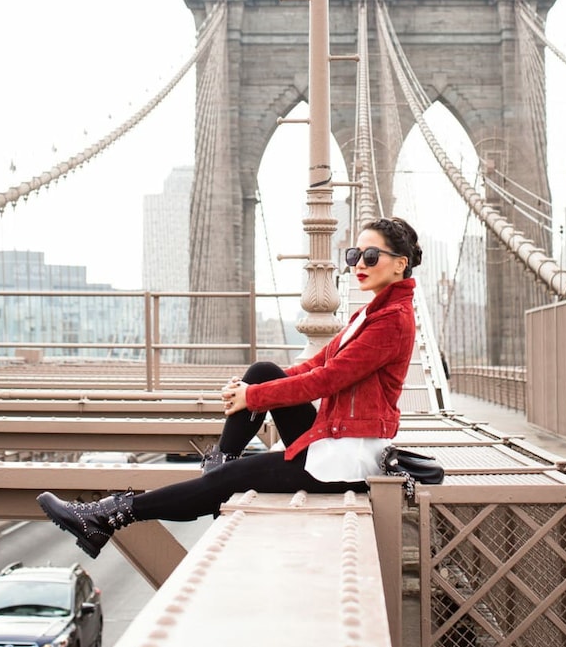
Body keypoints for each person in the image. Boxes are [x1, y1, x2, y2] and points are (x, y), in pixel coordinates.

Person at [36, 216, 422, 559]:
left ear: (399, 264)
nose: (358, 265)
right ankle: (219, 466)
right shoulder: (371, 312)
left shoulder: (392, 320)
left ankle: (107, 516)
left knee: (225, 477)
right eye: (354, 255)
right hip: (336, 441)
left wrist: (253, 398)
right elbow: (314, 365)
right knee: (264, 370)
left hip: (347, 461)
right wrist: (253, 389)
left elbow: (328, 379)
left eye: (370, 257)